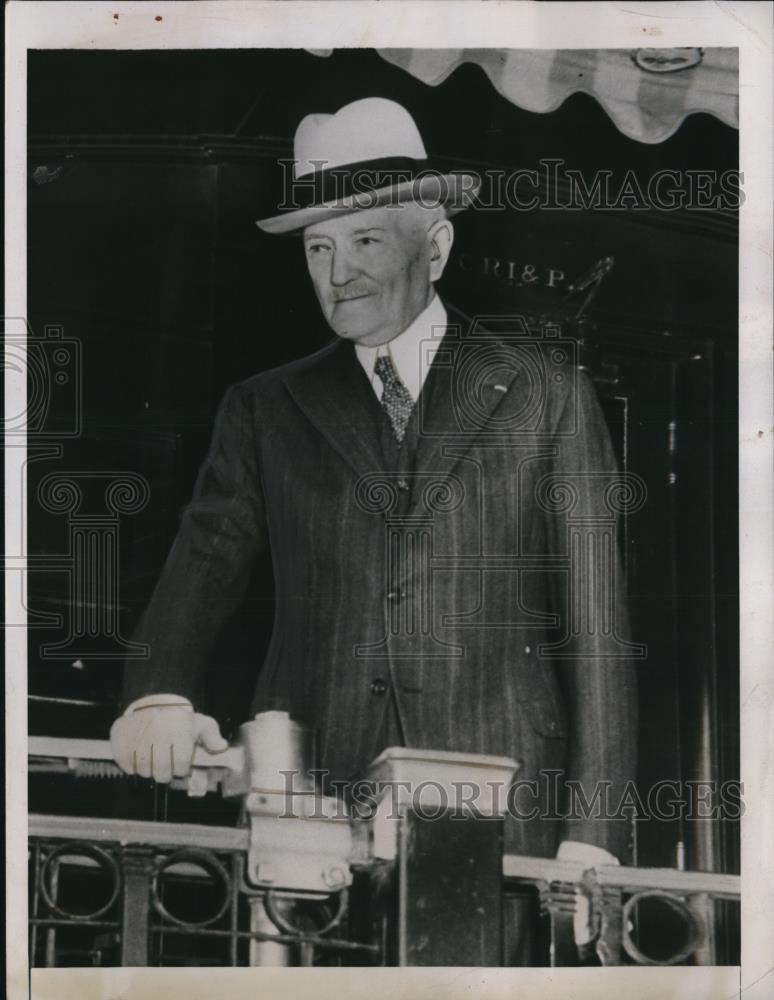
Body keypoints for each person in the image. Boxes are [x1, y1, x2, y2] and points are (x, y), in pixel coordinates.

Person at [111, 97, 638, 957]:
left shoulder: (547, 395)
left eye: (363, 241)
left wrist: (595, 832)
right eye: (318, 249)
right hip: (310, 810)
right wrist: (157, 689)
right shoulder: (266, 407)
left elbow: (599, 633)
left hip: (502, 807)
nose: (337, 273)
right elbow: (202, 562)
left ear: (435, 246)